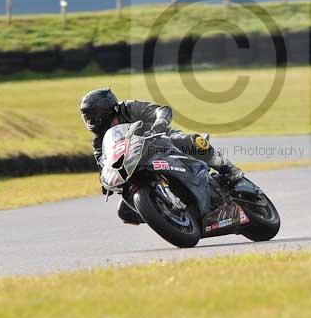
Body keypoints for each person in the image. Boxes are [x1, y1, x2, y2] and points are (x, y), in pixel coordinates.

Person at [79, 88, 243, 224]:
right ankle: (167, 214)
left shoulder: (129, 108)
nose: (91, 120)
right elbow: (103, 164)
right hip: (135, 165)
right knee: (125, 212)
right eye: (87, 116)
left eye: (94, 114)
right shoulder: (99, 141)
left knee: (193, 142)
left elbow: (161, 110)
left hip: (160, 142)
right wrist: (105, 180)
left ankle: (229, 169)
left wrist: (160, 122)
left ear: (109, 109)